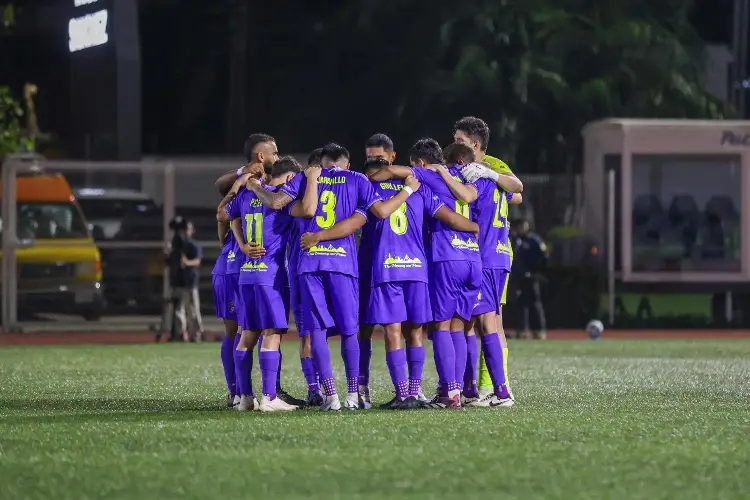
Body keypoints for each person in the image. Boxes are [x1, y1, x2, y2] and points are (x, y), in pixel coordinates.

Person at [247, 142, 418, 411]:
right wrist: (408, 188)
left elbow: (279, 203)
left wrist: (256, 187)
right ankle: (352, 394)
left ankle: (330, 396)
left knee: (316, 330)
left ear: (321, 163)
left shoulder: (306, 177)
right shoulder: (358, 179)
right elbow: (371, 215)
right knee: (350, 330)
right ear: (347, 163)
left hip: (309, 263)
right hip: (343, 264)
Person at [357, 135, 480, 409]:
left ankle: (402, 393)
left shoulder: (369, 188)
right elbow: (447, 216)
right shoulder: (419, 188)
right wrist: (475, 229)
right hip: (416, 268)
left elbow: (374, 214)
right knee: (416, 330)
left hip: (387, 267)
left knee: (393, 330)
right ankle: (416, 391)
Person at [226, 156, 320, 412]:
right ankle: (269, 397)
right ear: (290, 178)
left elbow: (228, 215)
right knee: (272, 333)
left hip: (247, 274)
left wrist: (243, 244)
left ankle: (244, 397)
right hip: (271, 275)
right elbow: (308, 210)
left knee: (246, 335)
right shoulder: (282, 202)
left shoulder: (246, 195)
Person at [453, 116, 522, 402]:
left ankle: (493, 389)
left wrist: (489, 176)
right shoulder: (468, 172)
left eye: (459, 141)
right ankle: (475, 388)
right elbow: (512, 196)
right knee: (475, 320)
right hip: (487, 254)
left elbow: (517, 190)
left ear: (475, 143)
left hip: (488, 254)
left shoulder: (490, 166)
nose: (453, 146)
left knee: (490, 320)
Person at [513, 219, 548, 340]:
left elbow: (544, 257)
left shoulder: (534, 240)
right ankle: (522, 330)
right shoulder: (516, 240)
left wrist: (539, 272)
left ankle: (539, 330)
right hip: (518, 276)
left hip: (531, 277)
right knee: (520, 304)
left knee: (535, 303)